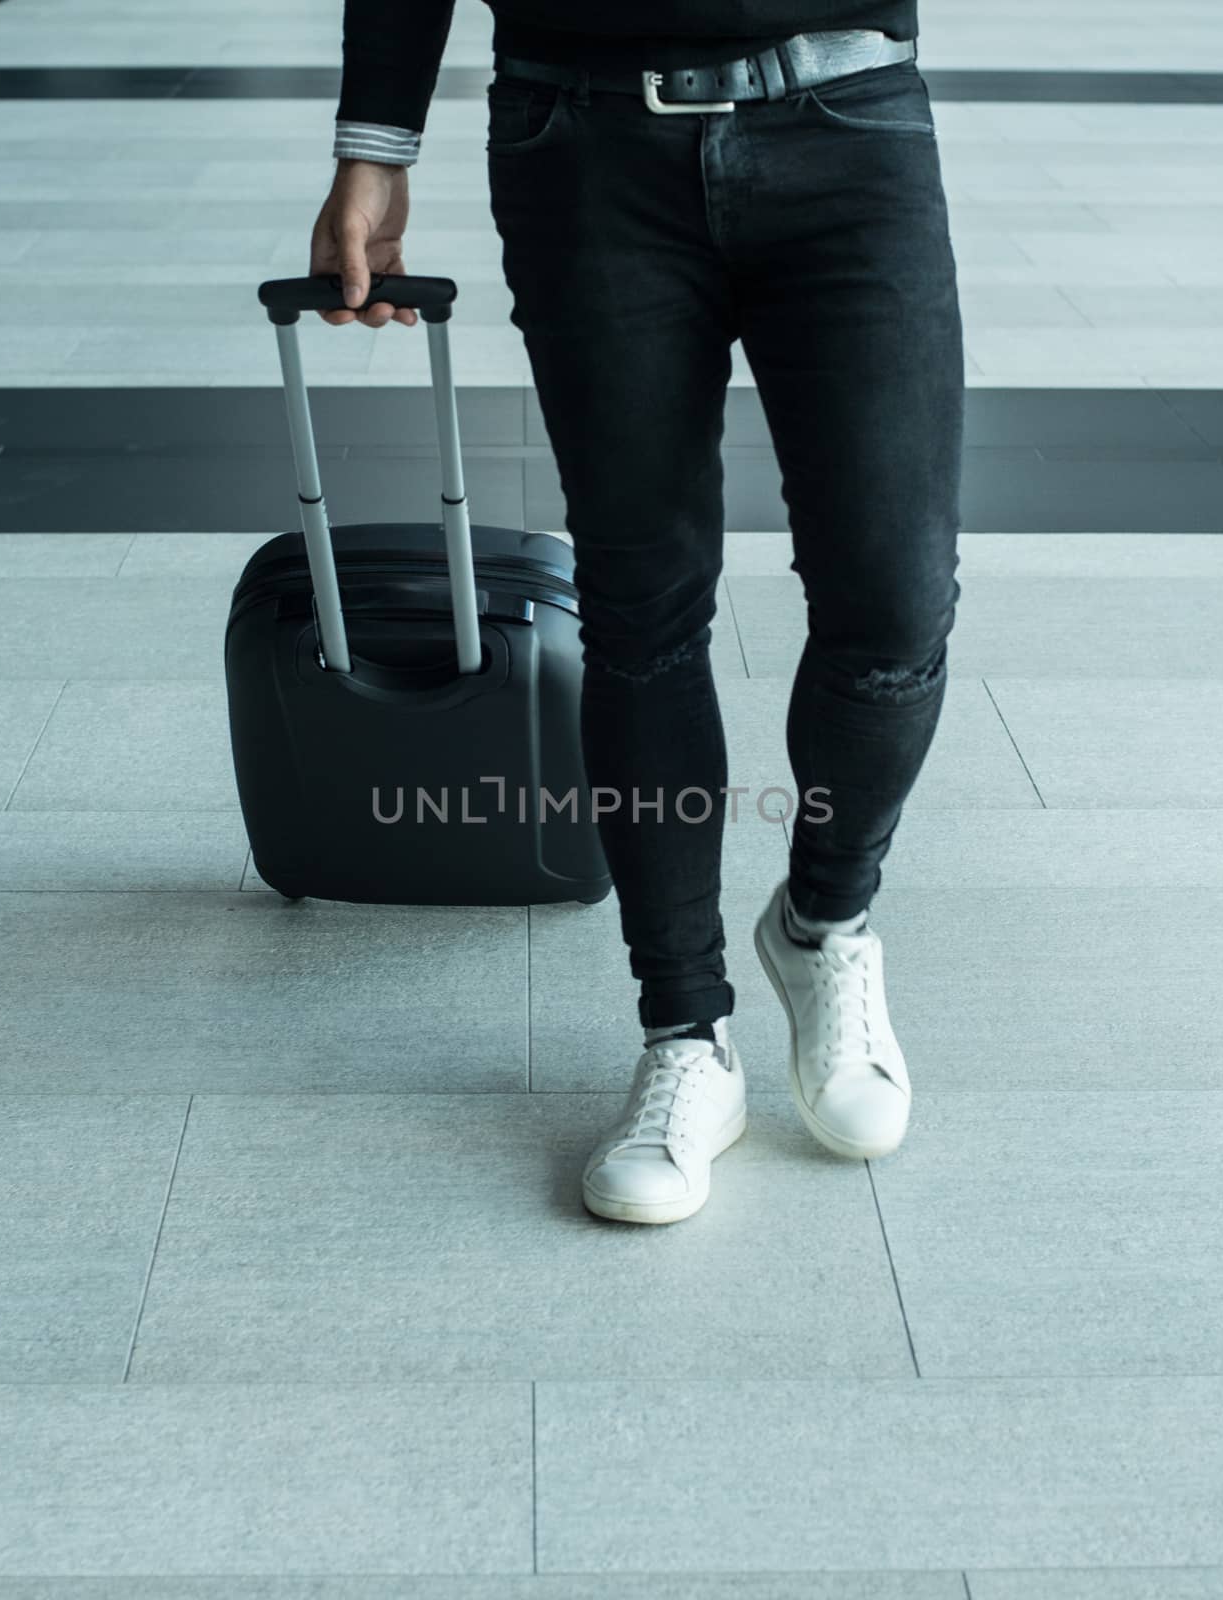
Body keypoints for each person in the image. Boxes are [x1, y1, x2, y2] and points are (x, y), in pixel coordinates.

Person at [311, 1, 964, 1226]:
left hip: (849, 118)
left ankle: (825, 920)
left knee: (897, 596)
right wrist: (375, 142)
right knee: (642, 603)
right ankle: (685, 1031)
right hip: (584, 133)